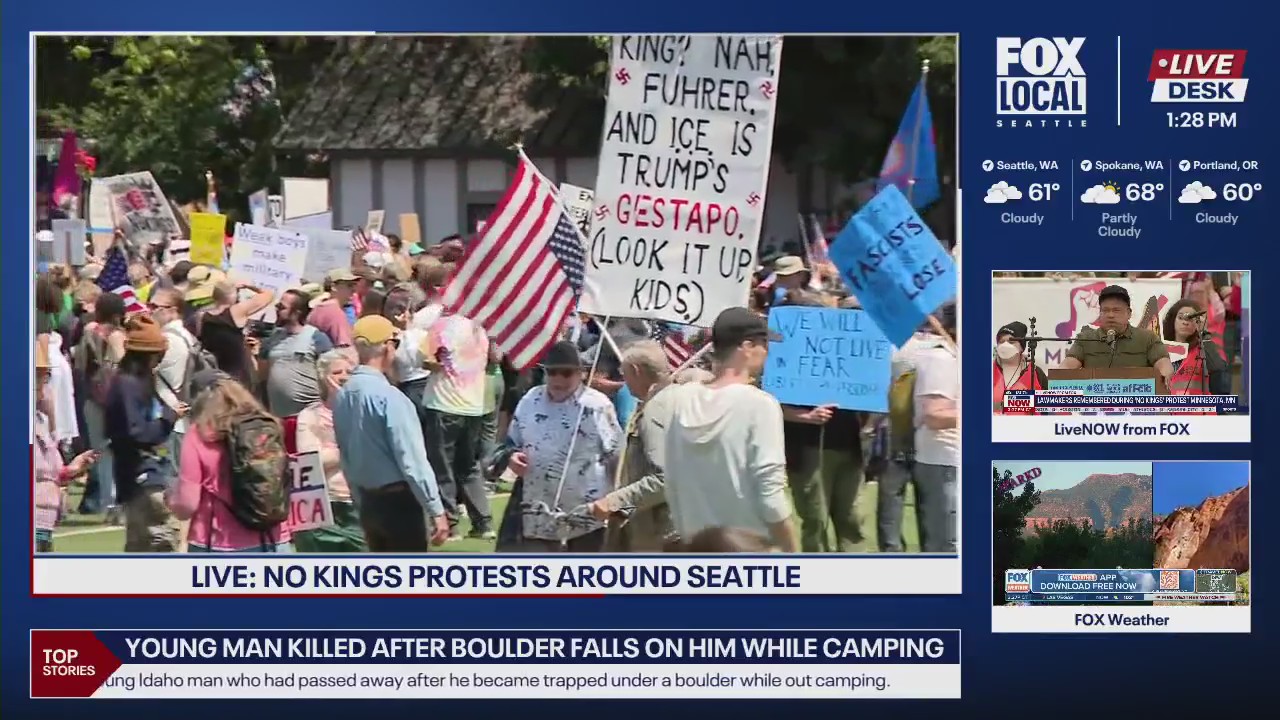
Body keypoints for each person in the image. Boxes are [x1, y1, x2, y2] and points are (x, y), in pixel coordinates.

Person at [661, 307, 798, 552]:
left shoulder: (679, 399)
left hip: (695, 548)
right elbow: (771, 497)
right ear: (746, 347)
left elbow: (670, 480)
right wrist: (792, 552)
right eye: (763, 344)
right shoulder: (760, 404)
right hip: (750, 549)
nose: (767, 352)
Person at [332, 315, 449, 551]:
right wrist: (436, 509)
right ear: (387, 346)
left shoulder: (343, 395)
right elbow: (412, 461)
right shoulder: (390, 397)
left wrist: (359, 499)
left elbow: (345, 454)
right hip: (398, 504)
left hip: (368, 501)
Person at [504, 341, 622, 552]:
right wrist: (512, 457)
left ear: (581, 374)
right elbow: (510, 443)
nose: (558, 379)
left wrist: (614, 502)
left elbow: (617, 457)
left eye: (566, 373)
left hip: (586, 515)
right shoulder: (530, 400)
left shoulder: (597, 405)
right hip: (537, 513)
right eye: (552, 372)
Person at [776, 290, 865, 553]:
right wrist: (806, 417)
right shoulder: (783, 358)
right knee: (816, 521)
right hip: (808, 451)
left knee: (852, 520)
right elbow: (769, 404)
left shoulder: (849, 350)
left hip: (850, 447)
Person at [170, 371, 293, 552]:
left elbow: (187, 504)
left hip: (218, 541)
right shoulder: (269, 427)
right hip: (272, 539)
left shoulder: (199, 434)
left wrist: (172, 499)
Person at [587, 340, 677, 551]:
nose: (624, 382)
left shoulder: (655, 411)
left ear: (636, 371)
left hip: (663, 534)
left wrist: (614, 501)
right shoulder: (680, 400)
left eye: (624, 374)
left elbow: (664, 479)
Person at [104, 315, 183, 552]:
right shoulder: (127, 385)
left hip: (147, 474)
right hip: (142, 476)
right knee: (160, 540)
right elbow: (135, 432)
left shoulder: (136, 383)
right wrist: (168, 419)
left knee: (143, 544)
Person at [419, 303, 494, 540]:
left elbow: (426, 360)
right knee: (468, 467)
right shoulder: (479, 328)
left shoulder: (441, 326)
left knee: (442, 466)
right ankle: (483, 522)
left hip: (444, 403)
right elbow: (494, 357)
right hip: (473, 405)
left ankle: (449, 523)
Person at [294, 351, 367, 552]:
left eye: (349, 372)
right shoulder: (309, 416)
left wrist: (331, 448)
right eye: (336, 372)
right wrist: (346, 449)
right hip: (323, 503)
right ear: (323, 378)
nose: (343, 376)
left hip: (358, 500)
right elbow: (310, 461)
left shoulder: (363, 412)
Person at [35, 341, 99, 552]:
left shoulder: (40, 421)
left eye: (44, 377)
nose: (43, 384)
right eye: (39, 377)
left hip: (45, 519)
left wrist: (71, 469)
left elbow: (49, 471)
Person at [910, 305, 959, 553]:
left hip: (956, 463)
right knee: (947, 545)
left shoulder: (960, 358)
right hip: (943, 463)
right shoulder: (940, 360)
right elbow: (934, 416)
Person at [75, 291, 127, 519]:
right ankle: (121, 502)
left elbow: (80, 364)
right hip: (119, 397)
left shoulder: (89, 332)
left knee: (102, 451)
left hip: (94, 396)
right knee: (122, 450)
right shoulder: (122, 334)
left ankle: (109, 503)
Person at [1061, 285, 1174, 387]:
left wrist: (1163, 378)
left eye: (1116, 310)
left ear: (1129, 313)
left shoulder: (1147, 338)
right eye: (1105, 310)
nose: (1110, 315)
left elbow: (1164, 365)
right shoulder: (1085, 339)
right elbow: (1066, 367)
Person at [257, 289, 334, 418]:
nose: (277, 309)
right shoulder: (272, 339)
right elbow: (261, 377)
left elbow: (330, 374)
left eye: (282, 307)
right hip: (278, 415)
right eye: (277, 306)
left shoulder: (316, 337)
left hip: (309, 415)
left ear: (297, 312)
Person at [196, 279, 274, 389]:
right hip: (235, 374)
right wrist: (249, 285)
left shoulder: (202, 316)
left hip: (212, 372)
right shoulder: (236, 311)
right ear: (233, 295)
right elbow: (268, 295)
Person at [1162, 299, 1230, 395]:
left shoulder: (1202, 348)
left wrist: (1203, 332)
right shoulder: (1160, 349)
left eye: (1190, 318)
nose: (1185, 322)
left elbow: (1218, 368)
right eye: (1180, 318)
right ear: (1172, 321)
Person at [991, 320, 1047, 413]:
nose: (1005, 345)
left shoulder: (1036, 373)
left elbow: (1046, 410)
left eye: (1011, 342)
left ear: (1021, 347)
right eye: (1001, 341)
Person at [309, 269, 357, 348]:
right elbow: (344, 347)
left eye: (354, 285)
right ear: (334, 287)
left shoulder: (318, 307)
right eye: (349, 285)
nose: (354, 290)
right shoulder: (335, 313)